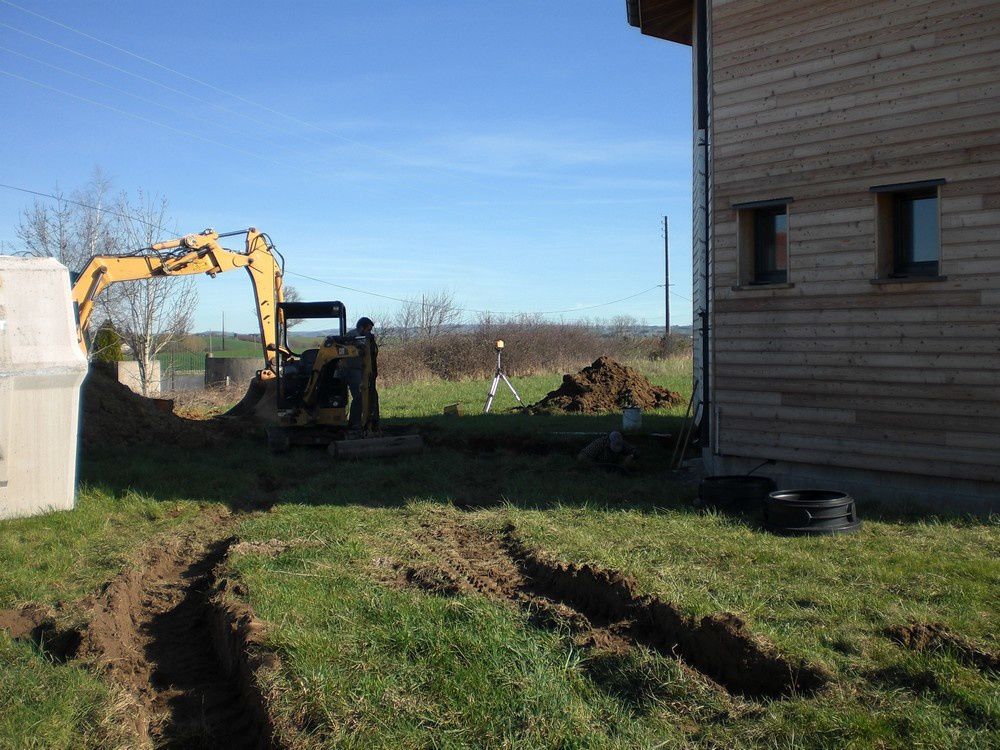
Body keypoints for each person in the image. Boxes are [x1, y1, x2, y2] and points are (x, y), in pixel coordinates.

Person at [341, 316, 378, 430]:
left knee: (365, 395)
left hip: (360, 370)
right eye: (368, 329)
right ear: (362, 327)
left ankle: (362, 421)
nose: (369, 332)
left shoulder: (361, 336)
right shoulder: (353, 336)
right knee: (359, 396)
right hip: (352, 370)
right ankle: (354, 422)